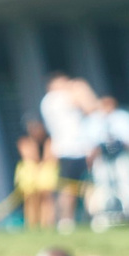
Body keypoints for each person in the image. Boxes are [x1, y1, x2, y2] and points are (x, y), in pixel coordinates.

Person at [41, 73, 99, 229]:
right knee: (72, 188)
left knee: (82, 187)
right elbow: (91, 106)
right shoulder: (56, 99)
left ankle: (71, 220)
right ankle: (70, 219)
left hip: (73, 149)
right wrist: (81, 85)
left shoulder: (48, 101)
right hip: (71, 150)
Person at [88, 95, 129, 228]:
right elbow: (88, 142)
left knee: (128, 184)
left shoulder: (124, 118)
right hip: (102, 159)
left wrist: (119, 145)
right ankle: (103, 216)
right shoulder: (93, 120)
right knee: (103, 187)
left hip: (121, 157)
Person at [14, 128, 60, 232]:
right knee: (31, 201)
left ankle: (47, 223)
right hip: (30, 172)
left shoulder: (48, 141)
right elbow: (31, 157)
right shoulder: (26, 141)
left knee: (47, 199)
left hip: (44, 171)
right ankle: (32, 224)